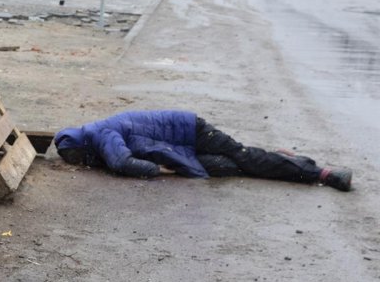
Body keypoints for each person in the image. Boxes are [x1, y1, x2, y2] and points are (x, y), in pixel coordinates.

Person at [53, 110, 352, 191]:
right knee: (229, 166)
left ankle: (322, 174)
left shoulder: (100, 133)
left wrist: (159, 171)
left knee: (244, 158)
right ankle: (285, 160)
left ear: (81, 144)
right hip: (180, 145)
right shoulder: (95, 134)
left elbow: (122, 162)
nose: (77, 162)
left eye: (75, 157)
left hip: (192, 131)